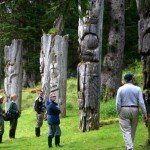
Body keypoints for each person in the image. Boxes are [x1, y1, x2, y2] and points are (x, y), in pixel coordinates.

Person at [116, 73, 147, 150]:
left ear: (124, 80)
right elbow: (141, 102)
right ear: (132, 80)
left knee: (126, 130)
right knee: (133, 130)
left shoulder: (120, 89)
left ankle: (129, 148)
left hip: (124, 109)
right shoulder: (137, 89)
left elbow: (118, 103)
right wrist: (145, 113)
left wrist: (118, 111)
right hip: (135, 109)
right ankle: (129, 147)